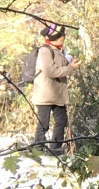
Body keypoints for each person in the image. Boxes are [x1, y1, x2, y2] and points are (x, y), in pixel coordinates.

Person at [31, 22, 77, 155]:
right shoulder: (45, 50)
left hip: (58, 95)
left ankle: (55, 150)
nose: (64, 37)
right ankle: (37, 149)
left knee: (61, 122)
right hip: (45, 94)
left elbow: (62, 68)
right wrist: (70, 68)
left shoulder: (58, 50)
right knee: (43, 124)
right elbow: (51, 71)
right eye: (63, 35)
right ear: (57, 37)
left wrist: (70, 64)